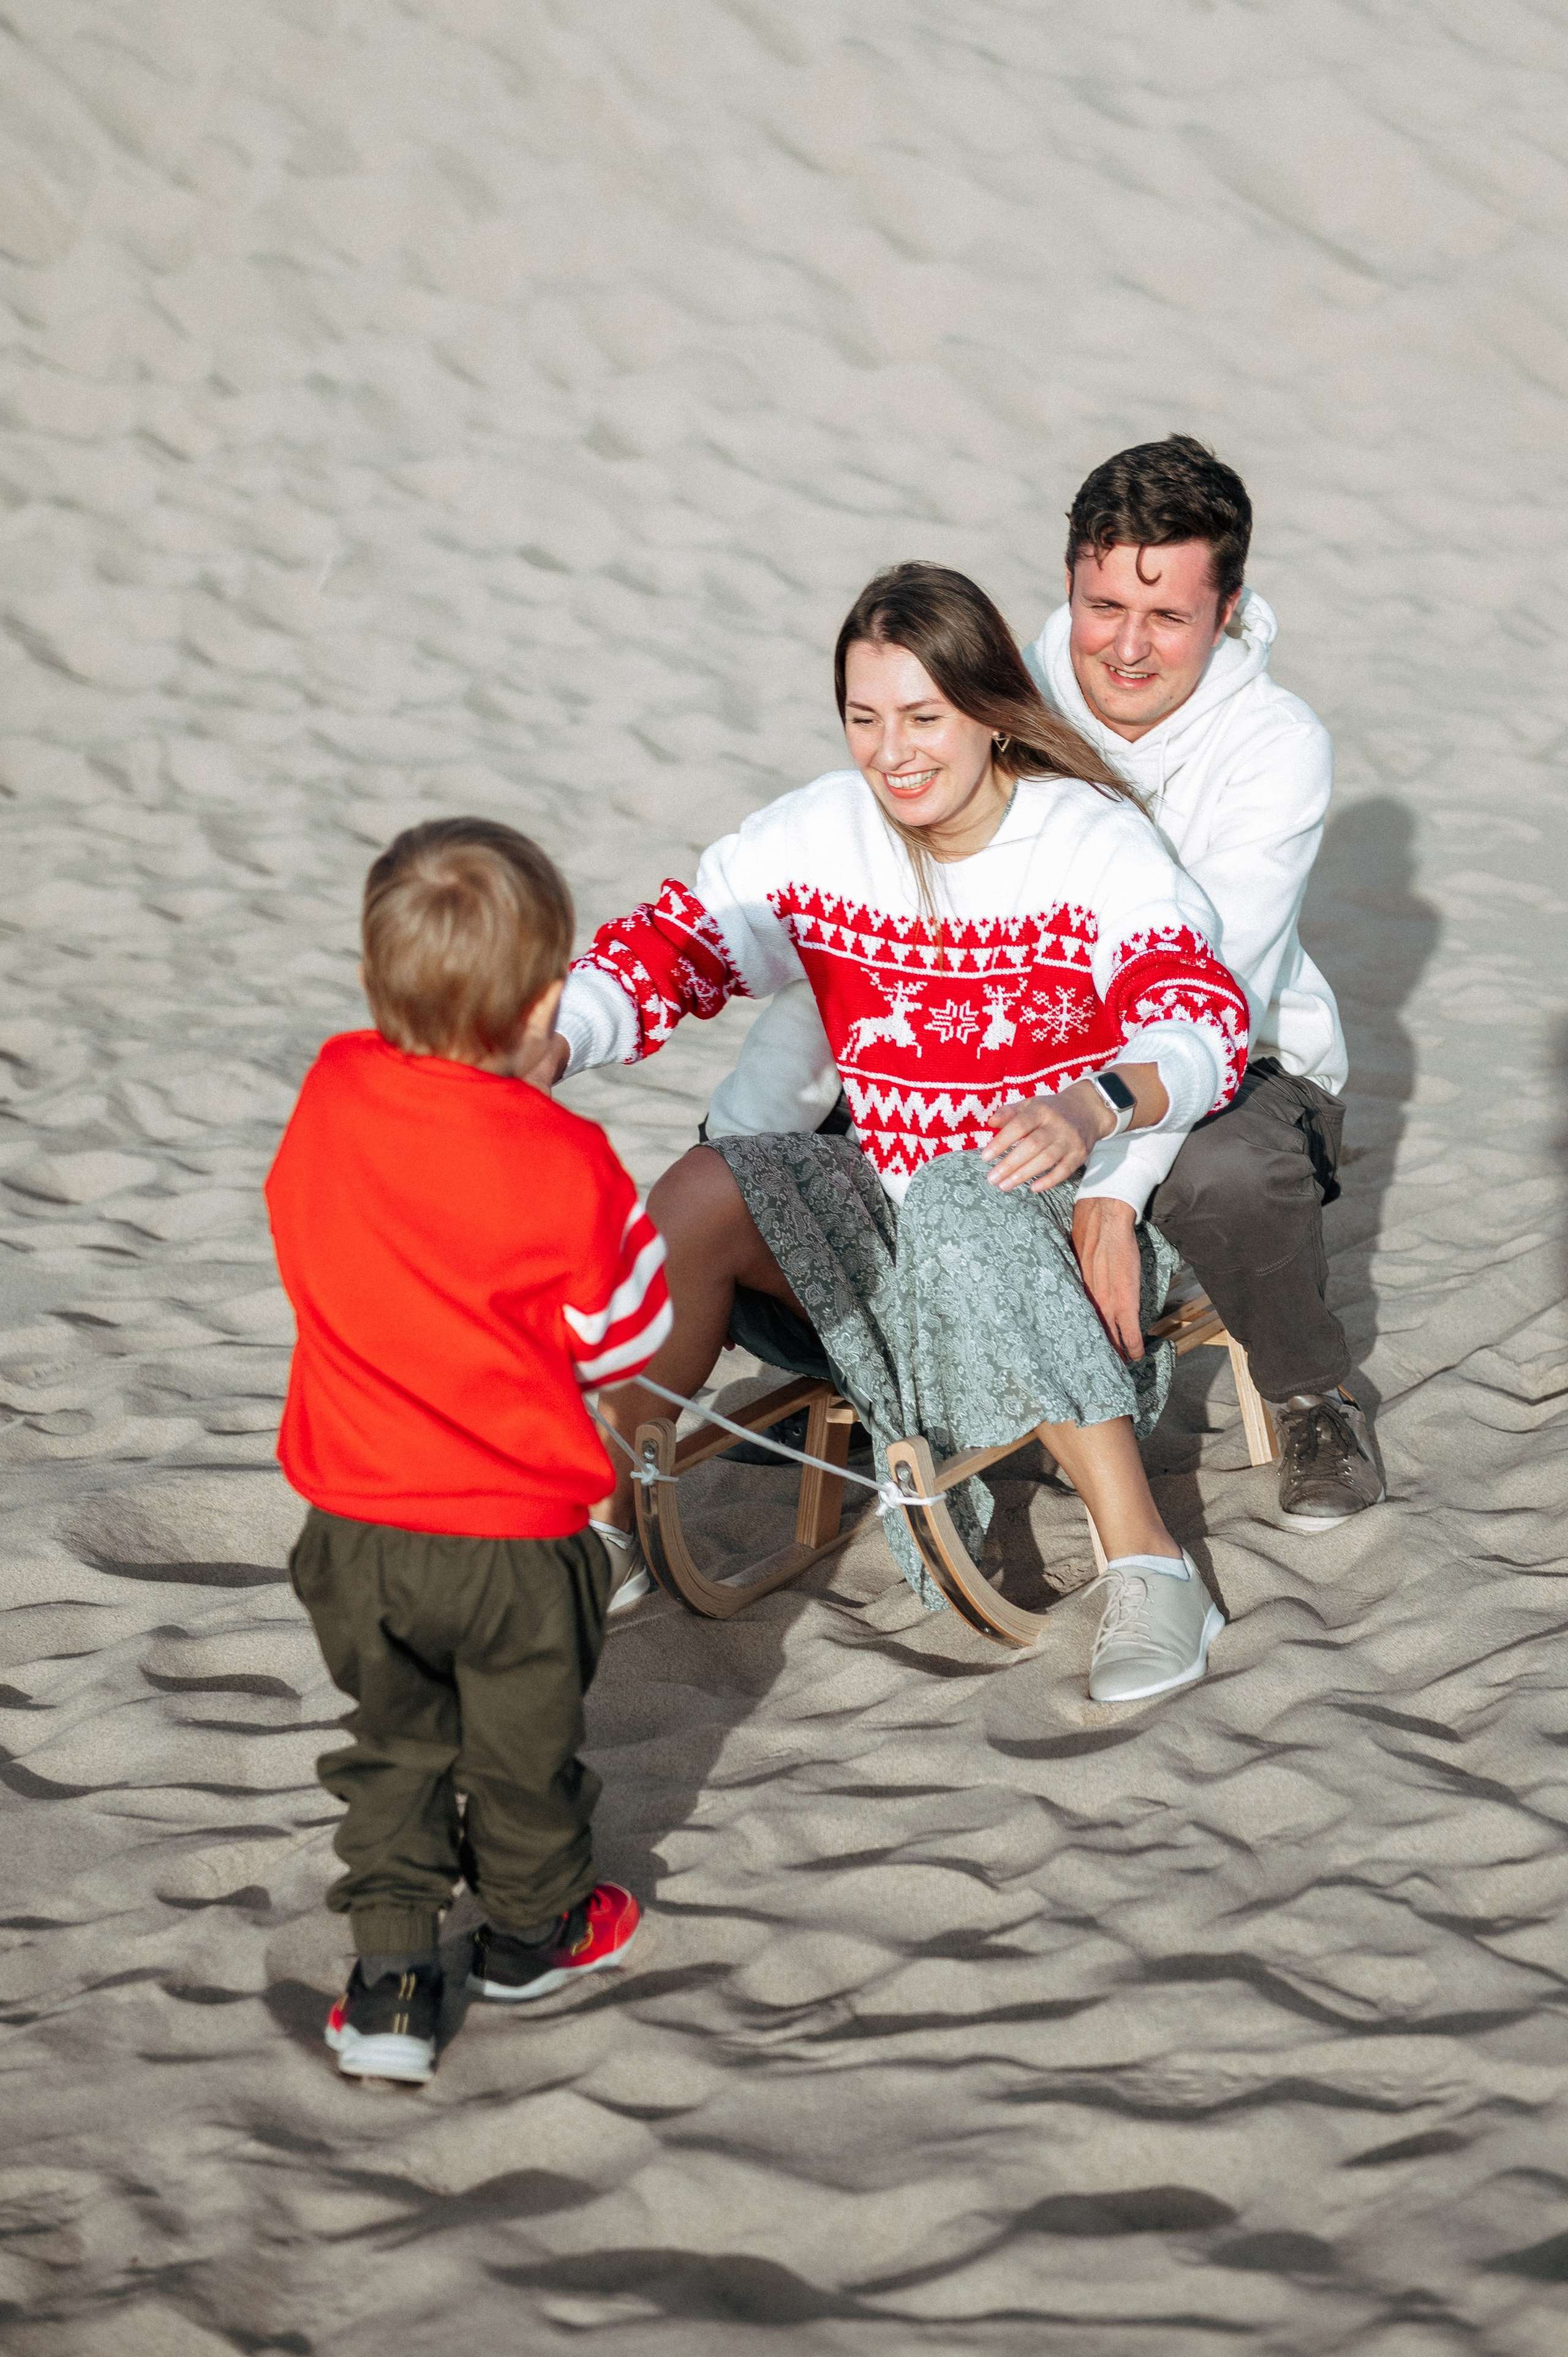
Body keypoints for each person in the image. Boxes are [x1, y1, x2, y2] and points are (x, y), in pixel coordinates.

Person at [549, 563, 1250, 1705]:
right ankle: (603, 1525)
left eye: (923, 716)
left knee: (968, 1205)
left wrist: (1092, 1105)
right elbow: (678, 946)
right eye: (865, 719)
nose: (894, 751)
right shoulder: (820, 837)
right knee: (701, 1188)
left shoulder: (1088, 843)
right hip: (885, 1207)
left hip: (1064, 1214)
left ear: (986, 708)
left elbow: (1197, 1015)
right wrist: (560, 1034)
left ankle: (1152, 1565)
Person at [709, 437, 1381, 1531]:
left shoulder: (1273, 747)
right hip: (1023, 1038)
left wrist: (1115, 1193)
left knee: (1224, 1171)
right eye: (1101, 604)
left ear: (1228, 607)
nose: (1124, 646)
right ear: (1068, 580)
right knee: (821, 1145)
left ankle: (1311, 1392)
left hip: (1233, 1050)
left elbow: (1221, 990)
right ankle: (874, 1377)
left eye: (1166, 616)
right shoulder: (999, 691)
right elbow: (874, 908)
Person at [265, 818, 670, 2086]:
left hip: (356, 1527)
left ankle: (388, 1980)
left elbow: (302, 1218)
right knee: (517, 1750)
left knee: (392, 1740)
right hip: (512, 1540)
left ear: (376, 979)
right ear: (548, 999)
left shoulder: (331, 1089)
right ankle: (529, 1928)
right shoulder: (566, 1158)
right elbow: (628, 1338)